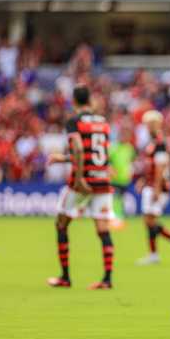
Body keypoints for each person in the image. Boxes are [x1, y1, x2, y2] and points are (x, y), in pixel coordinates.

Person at [47, 86, 115, 290]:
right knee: (103, 229)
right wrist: (63, 159)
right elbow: (95, 152)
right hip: (102, 181)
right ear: (90, 100)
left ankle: (65, 277)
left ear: (74, 101)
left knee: (61, 223)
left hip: (83, 181)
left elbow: (78, 148)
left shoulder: (73, 121)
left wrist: (78, 178)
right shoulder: (103, 122)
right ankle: (107, 279)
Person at [135, 110, 170, 265]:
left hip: (159, 186)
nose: (148, 127)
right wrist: (143, 179)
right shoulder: (153, 142)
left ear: (157, 124)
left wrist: (156, 187)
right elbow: (151, 165)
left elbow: (161, 166)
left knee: (149, 220)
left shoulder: (160, 142)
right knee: (149, 220)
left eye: (150, 123)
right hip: (151, 183)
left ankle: (158, 251)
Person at [109, 126, 135, 229]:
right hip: (114, 178)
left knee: (121, 198)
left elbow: (131, 162)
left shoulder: (130, 148)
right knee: (115, 198)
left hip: (125, 179)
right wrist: (110, 169)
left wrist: (130, 171)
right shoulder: (113, 147)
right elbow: (107, 160)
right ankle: (116, 218)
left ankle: (119, 218)